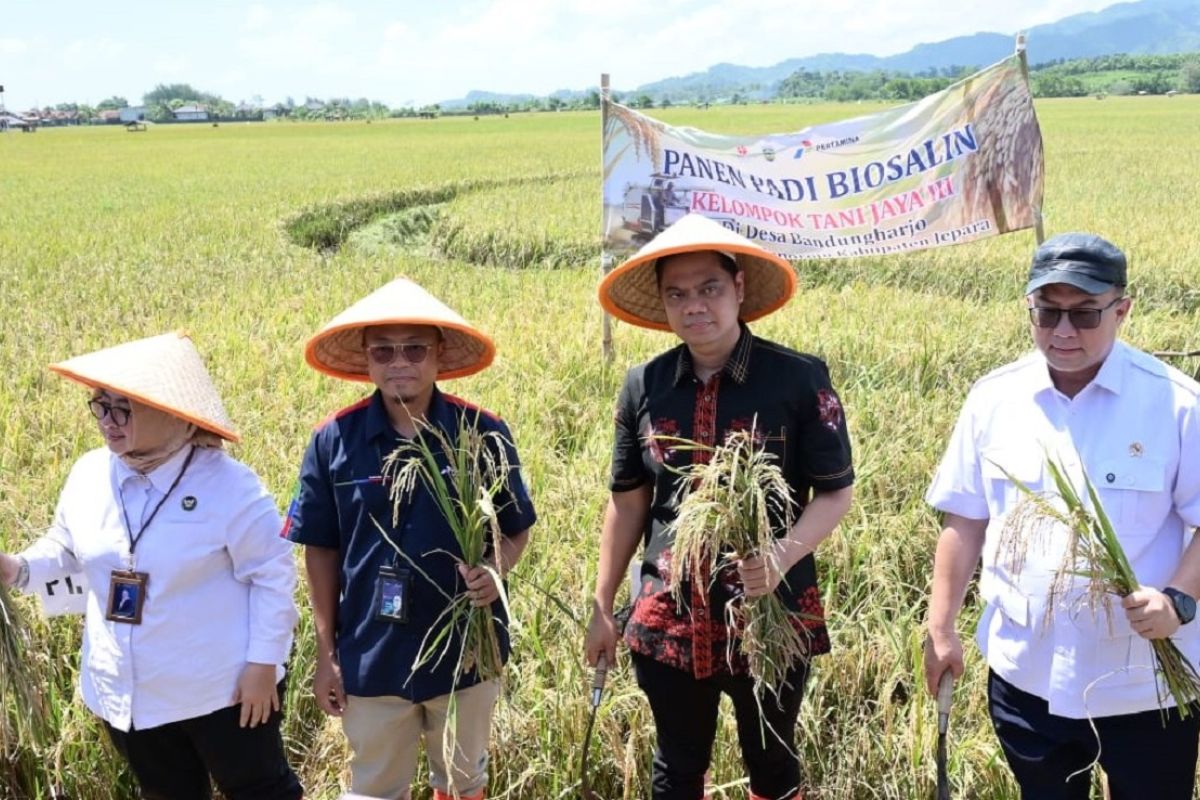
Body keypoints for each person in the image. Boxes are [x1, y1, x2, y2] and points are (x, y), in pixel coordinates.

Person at [584, 214, 855, 800]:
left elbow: (836, 492)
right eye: (676, 294)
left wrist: (781, 556)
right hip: (668, 613)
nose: (694, 306)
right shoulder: (644, 385)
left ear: (738, 289)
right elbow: (628, 503)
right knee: (677, 766)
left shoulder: (798, 378)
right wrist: (604, 604)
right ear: (662, 303)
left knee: (773, 761)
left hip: (771, 614)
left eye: (708, 288)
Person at [923, 233, 1200, 799]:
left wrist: (1178, 598)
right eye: (1047, 313)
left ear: (1122, 309)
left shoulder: (1176, 404)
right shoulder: (993, 399)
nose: (1063, 332)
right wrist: (941, 625)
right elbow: (966, 519)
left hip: (1144, 684)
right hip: (1027, 676)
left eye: (1084, 314)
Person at [0, 331, 302, 800]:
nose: (108, 421)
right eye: (100, 405)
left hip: (222, 693)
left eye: (124, 408)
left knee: (260, 791)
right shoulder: (89, 474)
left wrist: (263, 666)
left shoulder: (230, 487)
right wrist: (16, 568)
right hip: (127, 694)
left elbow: (273, 574)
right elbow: (66, 545)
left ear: (172, 412)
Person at [285, 278, 536, 800]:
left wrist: (495, 570)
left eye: (415, 348)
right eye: (384, 351)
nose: (400, 362)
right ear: (367, 359)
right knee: (375, 786)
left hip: (466, 651)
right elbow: (321, 550)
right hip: (372, 651)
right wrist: (326, 652)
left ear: (439, 353)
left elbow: (516, 528)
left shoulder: (481, 432)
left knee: (465, 783)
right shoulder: (335, 439)